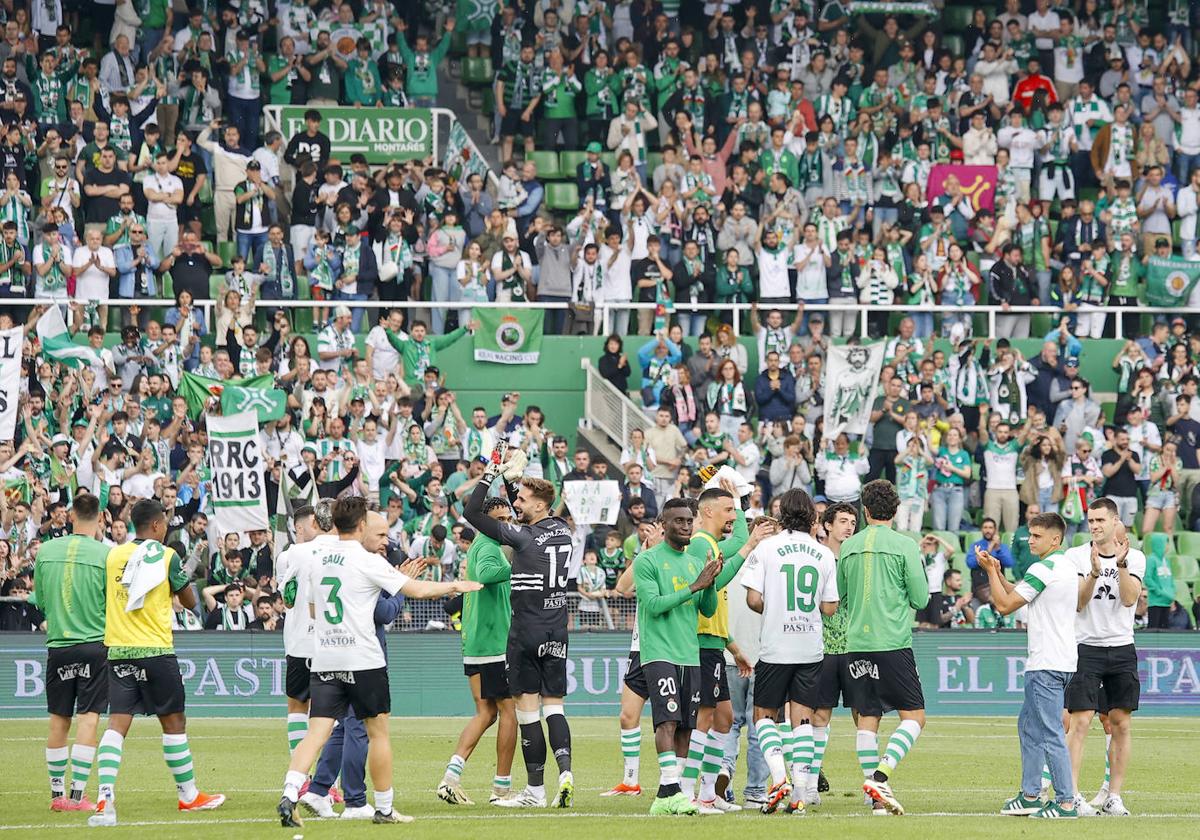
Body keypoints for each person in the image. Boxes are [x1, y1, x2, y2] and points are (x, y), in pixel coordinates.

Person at [277, 498, 480, 827]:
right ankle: (384, 808)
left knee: (317, 731)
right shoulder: (365, 560)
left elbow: (313, 610)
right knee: (378, 732)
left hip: (325, 657)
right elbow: (416, 590)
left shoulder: (314, 558)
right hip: (362, 658)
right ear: (360, 527)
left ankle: (290, 794)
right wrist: (457, 585)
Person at [88, 500, 225, 827]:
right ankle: (188, 795)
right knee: (173, 723)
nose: (166, 527)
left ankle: (105, 796)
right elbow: (190, 602)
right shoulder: (166, 556)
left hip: (119, 650)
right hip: (155, 650)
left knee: (117, 725)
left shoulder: (112, 556)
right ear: (155, 526)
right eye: (164, 523)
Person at [463, 462, 576, 809]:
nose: (516, 506)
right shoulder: (562, 530)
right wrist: (515, 481)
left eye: (523, 501)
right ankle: (566, 773)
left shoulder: (522, 537)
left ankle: (536, 791)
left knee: (527, 713)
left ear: (540, 504)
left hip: (526, 630)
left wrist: (489, 474)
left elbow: (471, 512)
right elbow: (531, 509)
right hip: (557, 629)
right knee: (554, 707)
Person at [977, 512, 1080, 819]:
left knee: (1049, 733)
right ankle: (1031, 794)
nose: (1030, 540)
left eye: (1037, 536)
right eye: (1031, 534)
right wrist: (997, 571)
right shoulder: (1062, 566)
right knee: (1029, 727)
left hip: (1046, 661)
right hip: (1062, 660)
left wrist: (990, 573)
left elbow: (1005, 605)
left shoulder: (1043, 567)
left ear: (1055, 539)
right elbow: (1021, 591)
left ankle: (1065, 802)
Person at [743, 489, 838, 816]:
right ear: (812, 516)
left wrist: (776, 610)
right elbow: (829, 607)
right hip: (809, 646)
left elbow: (753, 600)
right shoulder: (823, 553)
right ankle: (799, 791)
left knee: (764, 716)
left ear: (782, 514)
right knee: (802, 719)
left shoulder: (767, 548)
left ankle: (779, 777)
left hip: (775, 645)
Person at [837, 479, 929, 816]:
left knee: (867, 717)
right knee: (915, 717)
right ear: (896, 510)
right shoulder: (905, 545)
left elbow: (842, 596)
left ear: (864, 510)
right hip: (892, 641)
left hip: (855, 642)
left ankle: (872, 795)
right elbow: (920, 597)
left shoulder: (848, 546)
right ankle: (880, 776)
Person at [632, 498, 721, 816]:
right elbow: (653, 605)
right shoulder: (648, 560)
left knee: (686, 726)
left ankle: (674, 794)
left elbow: (708, 610)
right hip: (658, 653)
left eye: (689, 521)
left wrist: (710, 583)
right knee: (667, 720)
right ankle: (669, 788)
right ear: (664, 524)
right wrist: (695, 585)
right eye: (679, 521)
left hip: (689, 654)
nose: (686, 526)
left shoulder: (696, 561)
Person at [1063, 498, 1144, 817]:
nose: (1094, 525)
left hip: (1122, 647)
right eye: (1090, 520)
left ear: (1115, 521)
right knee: (1079, 722)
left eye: (1099, 520)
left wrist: (1120, 565)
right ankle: (1071, 795)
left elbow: (1129, 599)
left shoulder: (1135, 557)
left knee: (1121, 723)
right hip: (1085, 647)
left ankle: (1114, 796)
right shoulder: (1076, 556)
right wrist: (1094, 573)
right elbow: (1079, 603)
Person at [438, 497, 517, 807]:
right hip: (493, 644)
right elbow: (485, 575)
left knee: (486, 713)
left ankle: (450, 777)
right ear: (484, 521)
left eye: (506, 517)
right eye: (498, 518)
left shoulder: (484, 545)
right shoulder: (487, 547)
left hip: (476, 644)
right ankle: (501, 789)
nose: (504, 523)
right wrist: (518, 565)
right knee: (509, 712)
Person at [678, 483, 753, 814]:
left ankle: (709, 793)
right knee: (705, 718)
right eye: (728, 510)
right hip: (699, 644)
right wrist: (749, 542)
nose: (732, 517)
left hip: (714, 644)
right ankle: (687, 792)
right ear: (707, 511)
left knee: (724, 717)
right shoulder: (699, 544)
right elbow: (705, 590)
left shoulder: (710, 543)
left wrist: (732, 647)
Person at [34, 494, 109, 811]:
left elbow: (40, 602)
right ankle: (78, 796)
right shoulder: (106, 554)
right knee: (88, 719)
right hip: (94, 645)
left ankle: (57, 796)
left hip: (59, 647)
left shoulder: (46, 550)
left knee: (58, 721)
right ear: (101, 518)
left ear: (70, 516)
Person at [809, 502, 859, 806]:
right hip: (822, 646)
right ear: (826, 526)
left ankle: (872, 787)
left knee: (864, 715)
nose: (849, 526)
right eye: (843, 521)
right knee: (820, 715)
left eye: (853, 521)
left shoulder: (855, 559)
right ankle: (811, 781)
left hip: (854, 647)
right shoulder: (816, 558)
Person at [275, 503, 332, 760]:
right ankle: (324, 780)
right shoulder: (335, 551)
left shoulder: (288, 557)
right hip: (329, 641)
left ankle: (301, 774)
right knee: (331, 709)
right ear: (301, 527)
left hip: (299, 640)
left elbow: (287, 600)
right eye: (314, 522)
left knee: (297, 706)